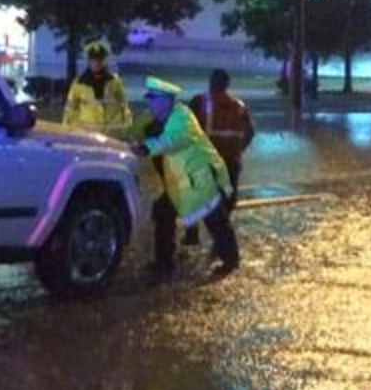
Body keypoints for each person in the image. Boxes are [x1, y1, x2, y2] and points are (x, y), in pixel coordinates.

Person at [132, 76, 239, 280]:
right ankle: (164, 265)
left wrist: (147, 147)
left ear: (165, 100)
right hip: (172, 182)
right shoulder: (154, 117)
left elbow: (173, 139)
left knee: (215, 220)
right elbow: (132, 129)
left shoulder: (182, 117)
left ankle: (230, 260)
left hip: (198, 180)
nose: (149, 103)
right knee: (163, 220)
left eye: (153, 99)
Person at [181, 69, 255, 245]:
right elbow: (250, 133)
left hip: (205, 161)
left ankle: (192, 234)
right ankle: (220, 241)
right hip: (231, 162)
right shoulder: (239, 106)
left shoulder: (199, 102)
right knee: (225, 201)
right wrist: (238, 149)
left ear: (211, 83)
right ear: (227, 85)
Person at [62, 42, 131, 134]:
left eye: (100, 60)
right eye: (93, 60)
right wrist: (69, 132)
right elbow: (70, 110)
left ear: (105, 60)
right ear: (89, 61)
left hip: (111, 136)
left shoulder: (114, 82)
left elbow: (124, 106)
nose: (96, 63)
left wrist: (124, 129)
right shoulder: (79, 83)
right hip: (87, 136)